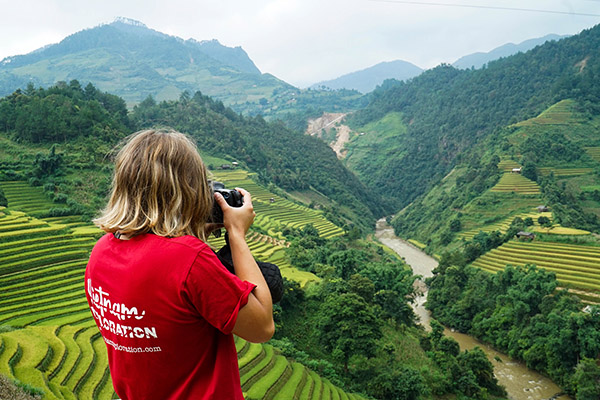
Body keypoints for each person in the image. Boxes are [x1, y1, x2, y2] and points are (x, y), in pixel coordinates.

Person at [85, 128, 274, 400]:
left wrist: (195, 231)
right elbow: (262, 327)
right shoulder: (190, 259)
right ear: (187, 190)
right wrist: (236, 233)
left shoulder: (100, 252)